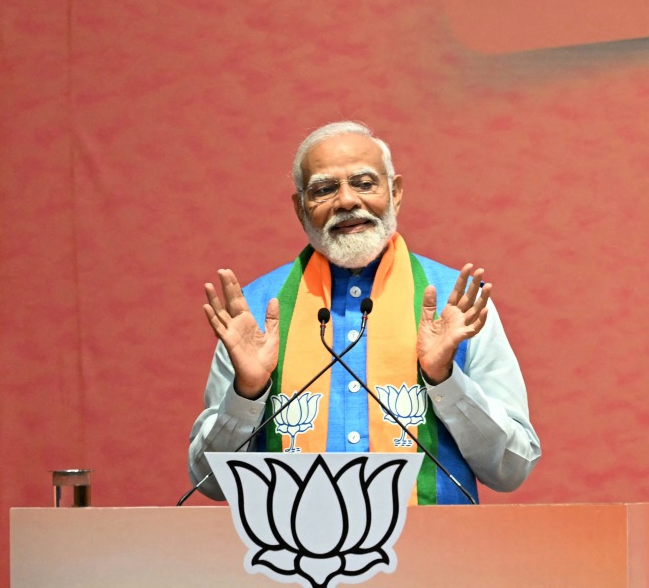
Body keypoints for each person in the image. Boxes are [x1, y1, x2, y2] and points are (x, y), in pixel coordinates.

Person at [188, 121, 540, 503]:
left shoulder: (457, 306)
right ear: (299, 208)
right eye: (324, 189)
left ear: (396, 192)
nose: (346, 201)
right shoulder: (257, 312)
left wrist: (445, 381)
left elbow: (511, 468)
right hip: (294, 558)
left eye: (364, 183)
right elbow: (209, 482)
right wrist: (248, 392)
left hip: (437, 556)